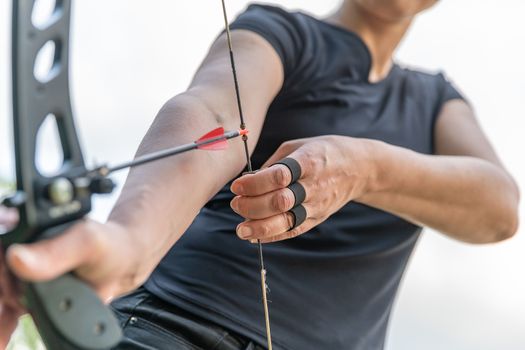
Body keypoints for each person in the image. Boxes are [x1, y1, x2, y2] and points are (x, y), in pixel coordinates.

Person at [0, 0, 520, 349]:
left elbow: (498, 207)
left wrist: (364, 167)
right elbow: (214, 115)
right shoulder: (278, 32)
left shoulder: (436, 101)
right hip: (172, 329)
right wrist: (129, 243)